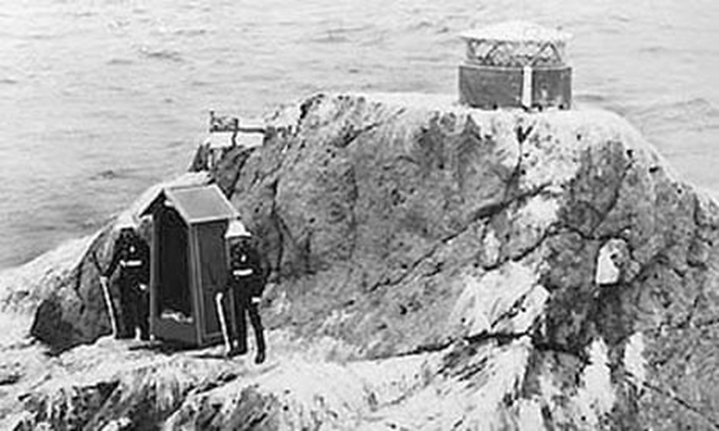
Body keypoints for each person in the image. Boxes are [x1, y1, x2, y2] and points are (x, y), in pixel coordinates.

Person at [223, 220, 267, 363]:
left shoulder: (251, 253)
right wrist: (224, 289)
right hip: (238, 290)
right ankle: (241, 346)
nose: (232, 242)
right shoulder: (233, 253)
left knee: (255, 321)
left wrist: (256, 294)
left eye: (234, 239)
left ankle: (261, 350)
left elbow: (258, 274)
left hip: (250, 290)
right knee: (239, 319)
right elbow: (232, 272)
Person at [101, 217, 151, 340]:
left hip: (137, 276)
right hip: (125, 276)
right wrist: (107, 274)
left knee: (140, 306)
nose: (125, 234)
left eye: (128, 230)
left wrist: (144, 281)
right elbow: (115, 259)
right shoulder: (120, 243)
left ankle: (144, 332)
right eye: (123, 231)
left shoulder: (141, 244)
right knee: (125, 304)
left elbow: (147, 263)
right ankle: (129, 331)